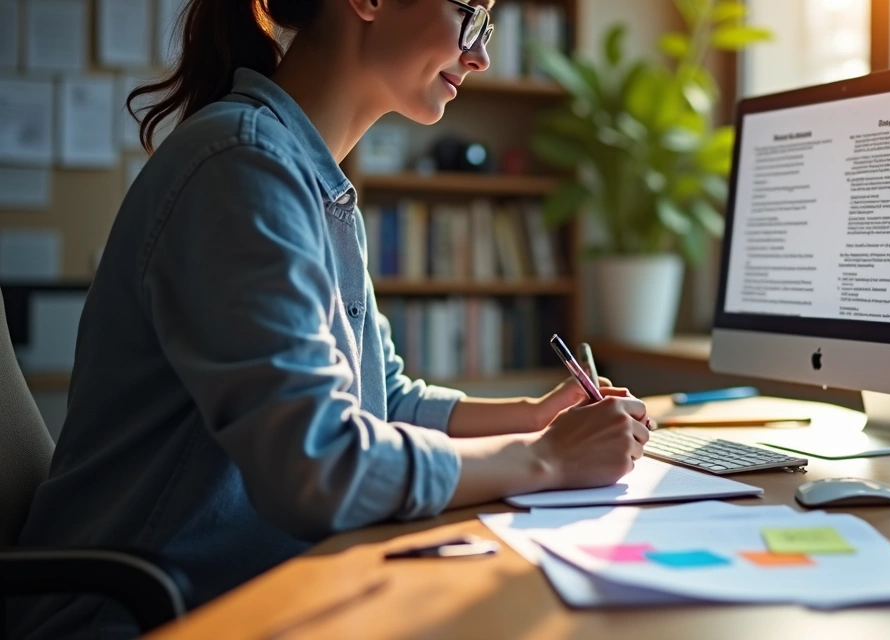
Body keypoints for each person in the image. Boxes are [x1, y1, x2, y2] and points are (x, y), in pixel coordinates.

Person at [8, 1, 652, 638]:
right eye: (469, 13)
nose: (480, 53)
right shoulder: (242, 166)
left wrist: (534, 417)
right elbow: (322, 465)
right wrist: (542, 459)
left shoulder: (311, 180)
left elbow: (384, 400)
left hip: (238, 594)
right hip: (136, 617)